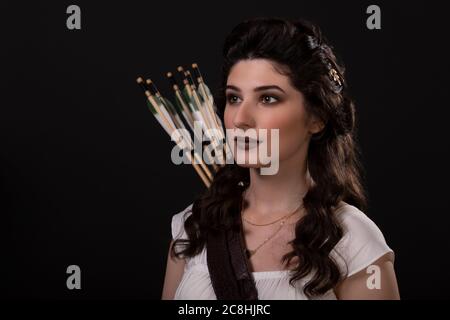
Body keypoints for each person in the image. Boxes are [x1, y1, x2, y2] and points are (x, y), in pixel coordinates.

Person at [161, 17, 400, 300]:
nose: (240, 119)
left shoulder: (354, 241)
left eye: (268, 99)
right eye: (234, 98)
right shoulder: (194, 227)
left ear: (317, 117)